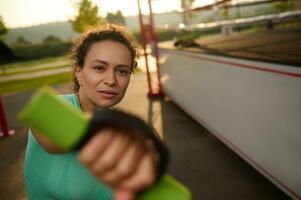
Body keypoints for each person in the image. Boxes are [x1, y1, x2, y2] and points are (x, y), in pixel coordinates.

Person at [24, 24, 162, 200]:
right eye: (99, 68)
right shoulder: (58, 108)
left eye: (122, 71)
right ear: (78, 71)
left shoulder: (118, 128)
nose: (111, 80)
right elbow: (55, 140)